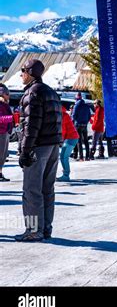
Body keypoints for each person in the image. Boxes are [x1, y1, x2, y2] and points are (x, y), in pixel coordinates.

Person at [16, 59, 62, 242]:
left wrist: (25, 151)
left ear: (30, 72)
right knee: (47, 189)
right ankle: (45, 228)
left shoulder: (32, 93)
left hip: (38, 147)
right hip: (53, 146)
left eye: (23, 71)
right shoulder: (50, 92)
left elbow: (31, 125)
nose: (21, 75)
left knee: (31, 190)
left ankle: (34, 230)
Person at [57, 106, 79, 182]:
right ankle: (65, 174)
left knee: (64, 157)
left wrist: (60, 141)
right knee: (63, 156)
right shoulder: (63, 114)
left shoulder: (62, 116)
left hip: (71, 138)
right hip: (71, 138)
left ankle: (66, 175)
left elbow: (63, 130)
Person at [72, 92, 91, 161]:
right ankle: (87, 156)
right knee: (86, 140)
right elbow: (89, 116)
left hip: (78, 125)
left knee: (79, 141)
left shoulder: (76, 105)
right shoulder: (86, 105)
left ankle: (81, 157)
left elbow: (73, 115)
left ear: (77, 97)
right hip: (85, 125)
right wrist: (85, 122)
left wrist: (72, 122)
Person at [0, 84, 13, 182]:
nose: (9, 96)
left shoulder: (4, 104)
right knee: (1, 154)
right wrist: (11, 118)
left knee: (3, 154)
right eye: (7, 94)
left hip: (4, 132)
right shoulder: (1, 105)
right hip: (1, 132)